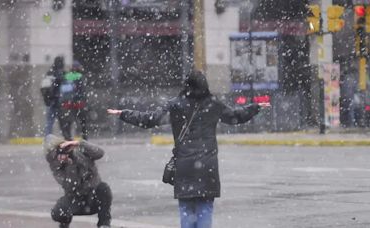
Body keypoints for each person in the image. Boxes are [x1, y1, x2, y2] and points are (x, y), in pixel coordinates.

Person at [107, 70, 270, 228]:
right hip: (207, 167)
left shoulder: (175, 106)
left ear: (186, 86)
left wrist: (124, 113)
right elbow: (236, 116)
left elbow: (150, 119)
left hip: (184, 166)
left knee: (186, 210)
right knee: (205, 209)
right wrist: (255, 108)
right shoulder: (214, 105)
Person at [44, 134, 112, 228]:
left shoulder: (80, 151)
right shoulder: (56, 167)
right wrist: (70, 164)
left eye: (62, 149)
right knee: (58, 212)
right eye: (57, 153)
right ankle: (64, 225)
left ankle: (104, 224)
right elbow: (71, 185)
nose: (62, 154)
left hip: (93, 196)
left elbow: (100, 153)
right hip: (76, 199)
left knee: (104, 188)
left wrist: (79, 143)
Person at [58, 60, 89, 140]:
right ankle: (84, 136)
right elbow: (83, 90)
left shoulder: (66, 76)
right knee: (82, 120)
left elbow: (61, 90)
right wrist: (84, 100)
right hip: (78, 102)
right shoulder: (80, 76)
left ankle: (68, 137)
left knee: (68, 121)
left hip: (68, 102)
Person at [42, 56, 65, 136]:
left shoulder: (50, 72)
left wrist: (47, 100)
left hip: (50, 101)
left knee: (49, 122)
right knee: (63, 123)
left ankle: (47, 140)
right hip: (58, 101)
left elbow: (44, 87)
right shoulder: (60, 73)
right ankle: (66, 139)